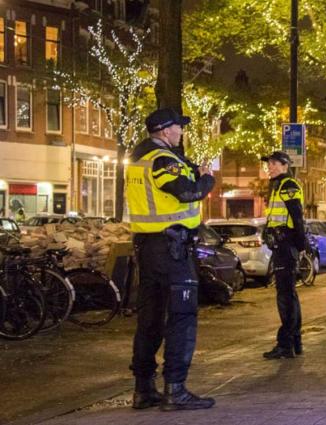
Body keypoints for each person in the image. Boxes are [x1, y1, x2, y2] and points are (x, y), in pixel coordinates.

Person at [127, 107, 216, 411]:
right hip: (171, 249)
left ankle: (143, 388)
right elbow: (187, 192)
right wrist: (206, 181)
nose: (182, 132)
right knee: (181, 317)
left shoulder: (138, 158)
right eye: (179, 127)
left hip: (147, 248)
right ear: (165, 131)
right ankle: (175, 389)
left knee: (149, 319)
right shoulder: (162, 160)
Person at [261, 151, 307, 360]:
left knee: (285, 297)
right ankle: (294, 341)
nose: (269, 167)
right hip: (282, 245)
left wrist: (300, 244)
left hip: (286, 245)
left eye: (273, 164)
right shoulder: (277, 186)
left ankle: (286, 343)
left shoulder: (288, 185)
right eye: (268, 164)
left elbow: (296, 216)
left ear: (285, 166)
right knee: (289, 295)